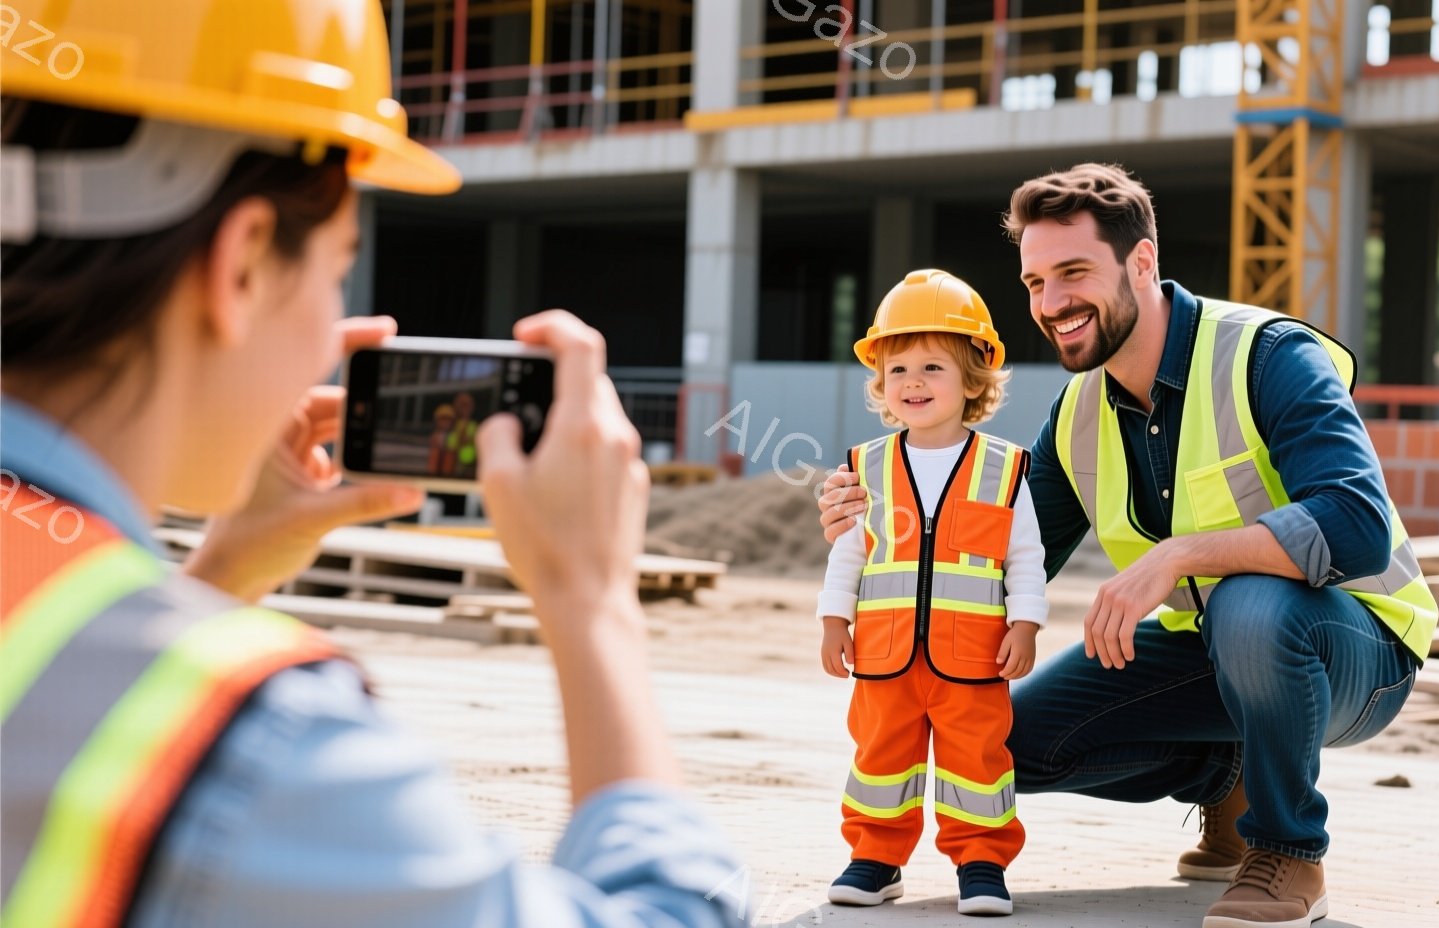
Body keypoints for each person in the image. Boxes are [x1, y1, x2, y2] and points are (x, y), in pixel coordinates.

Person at [0, 2, 745, 927]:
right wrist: (593, 605)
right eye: (337, 271)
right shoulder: (261, 746)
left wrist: (220, 578)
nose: (332, 330)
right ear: (243, 264)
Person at [817, 165, 1438, 928]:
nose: (1051, 303)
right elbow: (992, 549)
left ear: (1141, 262)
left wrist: (1179, 555)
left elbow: (1357, 524)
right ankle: (1227, 776)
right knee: (1005, 743)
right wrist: (878, 519)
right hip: (1208, 653)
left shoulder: (1267, 355)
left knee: (1250, 606)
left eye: (1073, 273)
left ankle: (1288, 851)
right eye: (1036, 282)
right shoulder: (1078, 411)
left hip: (1355, 650)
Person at [817, 270, 1047, 917]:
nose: (912, 382)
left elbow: (1025, 557)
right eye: (898, 369)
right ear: (881, 383)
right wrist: (834, 620)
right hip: (885, 657)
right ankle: (875, 858)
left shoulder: (1003, 469)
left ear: (974, 379)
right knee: (879, 756)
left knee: (977, 761)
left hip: (973, 659)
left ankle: (982, 862)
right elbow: (850, 551)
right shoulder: (866, 466)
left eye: (932, 367)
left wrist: (1025, 625)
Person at [429, 403, 458, 474]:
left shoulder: (454, 436)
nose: (445, 422)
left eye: (448, 419)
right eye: (442, 419)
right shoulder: (434, 435)